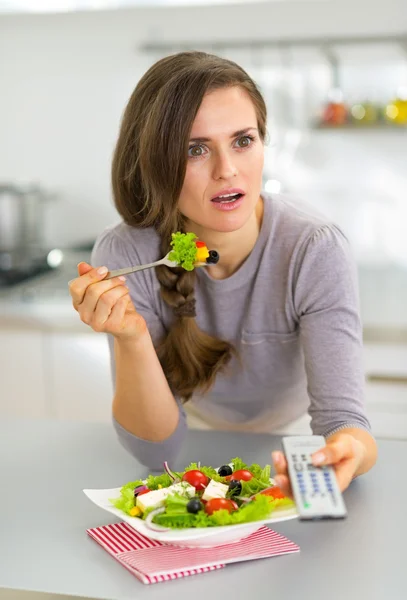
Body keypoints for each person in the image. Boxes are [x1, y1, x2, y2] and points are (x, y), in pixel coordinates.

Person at [68, 51, 377, 497]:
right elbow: (158, 454)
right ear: (154, 160)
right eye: (196, 149)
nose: (227, 170)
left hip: (292, 445)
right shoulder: (126, 252)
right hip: (193, 442)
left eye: (243, 140)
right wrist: (130, 337)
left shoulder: (314, 248)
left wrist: (346, 450)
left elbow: (346, 424)